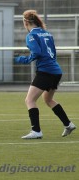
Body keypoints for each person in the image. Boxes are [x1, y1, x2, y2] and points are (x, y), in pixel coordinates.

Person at [14, 10, 76, 139]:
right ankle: (68, 124)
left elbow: (36, 53)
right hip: (56, 70)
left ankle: (36, 131)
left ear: (26, 22)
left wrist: (22, 59)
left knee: (29, 100)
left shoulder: (31, 36)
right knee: (48, 100)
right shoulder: (47, 33)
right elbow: (53, 52)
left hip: (46, 71)